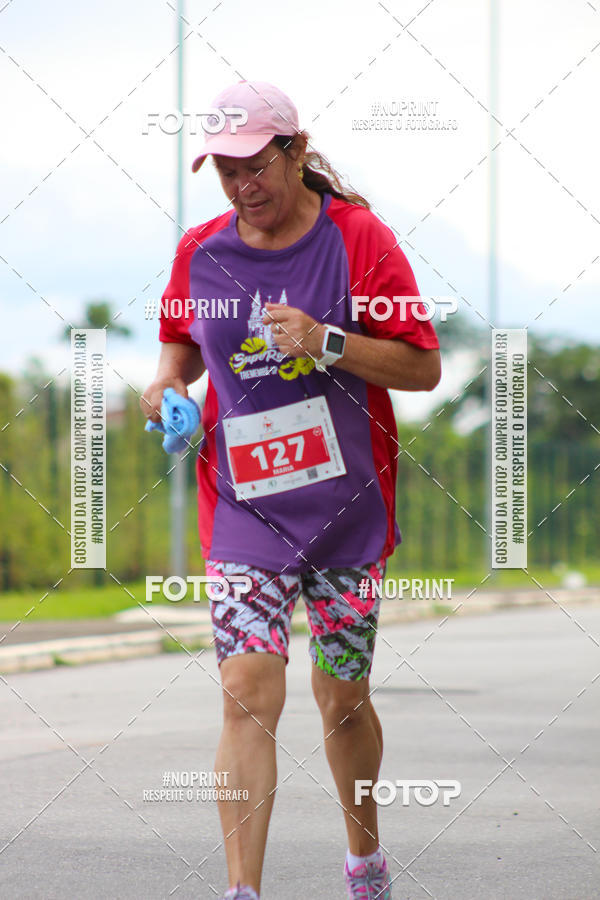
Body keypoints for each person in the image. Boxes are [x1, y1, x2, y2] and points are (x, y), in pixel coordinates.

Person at [142, 80, 441, 900]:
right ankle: (243, 890)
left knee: (342, 697)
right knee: (245, 692)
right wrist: (166, 389)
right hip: (243, 506)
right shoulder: (202, 251)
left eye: (256, 166)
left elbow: (422, 365)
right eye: (225, 172)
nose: (242, 186)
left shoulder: (358, 240)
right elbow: (179, 343)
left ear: (297, 152)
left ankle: (364, 858)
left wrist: (327, 340)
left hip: (347, 513)